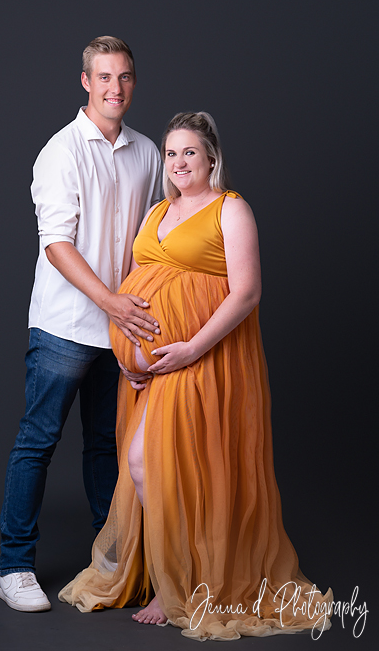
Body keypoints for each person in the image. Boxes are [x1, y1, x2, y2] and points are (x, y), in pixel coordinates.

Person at [59, 112, 332, 641]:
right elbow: (133, 282)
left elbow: (247, 292)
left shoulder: (231, 209)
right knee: (161, 466)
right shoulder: (157, 211)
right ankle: (171, 573)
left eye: (190, 152)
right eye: (171, 153)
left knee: (162, 463)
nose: (180, 162)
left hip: (205, 358)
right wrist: (128, 356)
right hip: (153, 369)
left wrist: (190, 349)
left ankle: (176, 583)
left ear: (211, 158)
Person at [0, 36, 163, 612]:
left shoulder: (146, 151)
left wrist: (135, 307)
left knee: (106, 446)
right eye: (104, 77)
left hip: (123, 329)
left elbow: (151, 238)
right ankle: (14, 566)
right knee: (37, 442)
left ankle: (110, 560)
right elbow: (57, 246)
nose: (115, 88)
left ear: (132, 83)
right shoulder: (61, 151)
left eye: (125, 77)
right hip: (66, 326)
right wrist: (113, 302)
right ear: (85, 82)